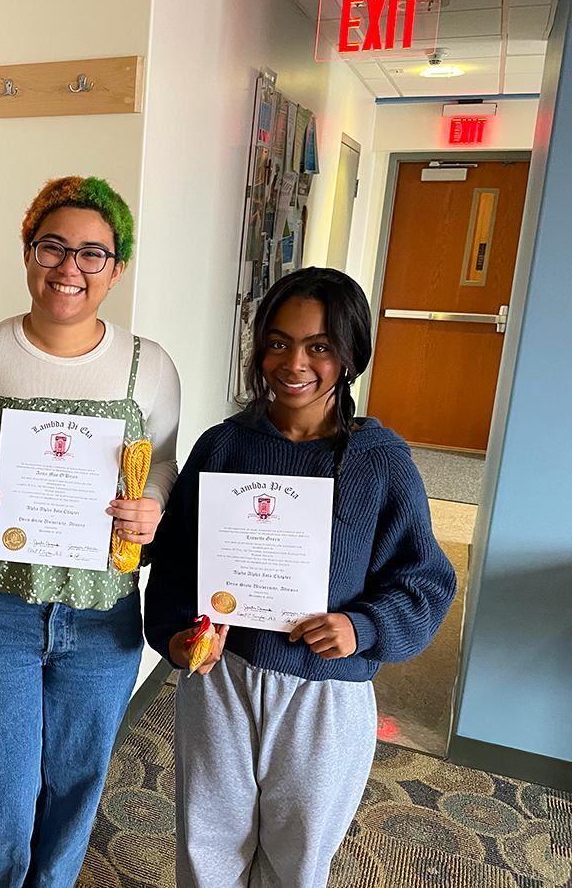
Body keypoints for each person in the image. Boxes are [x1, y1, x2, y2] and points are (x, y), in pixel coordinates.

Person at [144, 267, 457, 888]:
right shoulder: (223, 447)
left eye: (319, 346)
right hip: (222, 680)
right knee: (206, 849)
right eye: (279, 341)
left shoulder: (380, 460)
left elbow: (425, 580)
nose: (294, 363)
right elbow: (177, 562)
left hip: (324, 694)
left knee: (299, 858)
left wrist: (361, 626)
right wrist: (178, 634)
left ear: (349, 355)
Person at [0, 176, 182, 886]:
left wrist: (153, 507)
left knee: (76, 787)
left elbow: (162, 466)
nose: (69, 268)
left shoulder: (149, 366)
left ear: (117, 268)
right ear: (26, 250)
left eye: (92, 254)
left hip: (103, 613)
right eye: (52, 247)